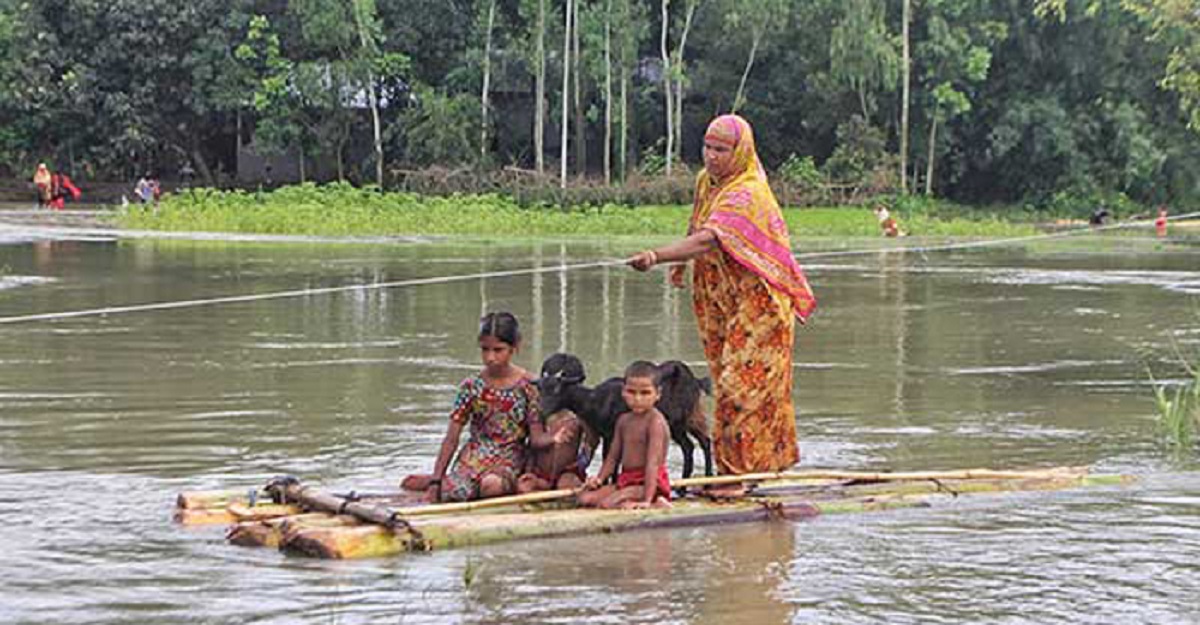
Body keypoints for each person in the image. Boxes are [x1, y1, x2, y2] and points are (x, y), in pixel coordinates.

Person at [628, 114, 816, 496]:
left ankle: (732, 477)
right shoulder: (707, 181)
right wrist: (680, 265)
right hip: (721, 299)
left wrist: (657, 256)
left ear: (740, 151)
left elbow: (709, 239)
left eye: (721, 150)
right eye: (707, 147)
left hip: (759, 304)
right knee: (726, 380)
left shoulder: (746, 192)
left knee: (737, 386)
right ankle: (740, 469)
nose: (711, 156)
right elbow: (697, 224)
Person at [400, 312, 565, 502]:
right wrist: (436, 482)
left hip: (510, 456)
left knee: (491, 486)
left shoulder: (530, 386)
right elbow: (451, 438)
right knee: (452, 492)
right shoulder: (471, 386)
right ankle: (438, 480)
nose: (490, 357)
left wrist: (554, 438)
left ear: (515, 347)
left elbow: (536, 438)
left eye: (498, 350)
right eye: (485, 350)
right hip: (474, 456)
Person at [577, 361, 672, 509]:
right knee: (585, 499)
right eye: (631, 392)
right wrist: (599, 479)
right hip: (627, 480)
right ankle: (629, 499)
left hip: (648, 483)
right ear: (623, 392)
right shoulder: (623, 421)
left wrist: (646, 500)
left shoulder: (655, 423)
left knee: (607, 504)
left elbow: (652, 464)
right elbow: (613, 457)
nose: (638, 399)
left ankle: (655, 501)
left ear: (658, 394)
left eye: (645, 393)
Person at [516, 408, 588, 494]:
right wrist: (554, 438)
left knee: (566, 485)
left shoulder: (580, 409)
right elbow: (536, 440)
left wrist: (583, 462)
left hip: (567, 471)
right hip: (540, 472)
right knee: (525, 487)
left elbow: (591, 440)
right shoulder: (537, 409)